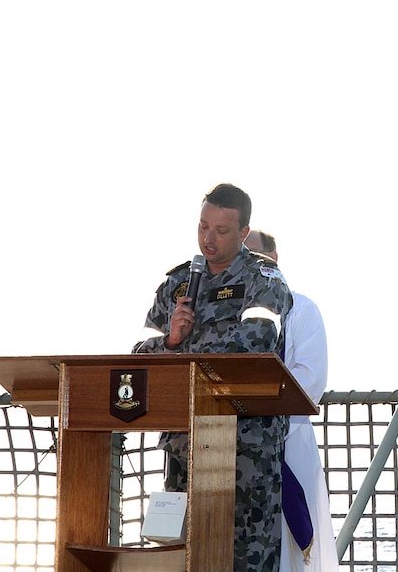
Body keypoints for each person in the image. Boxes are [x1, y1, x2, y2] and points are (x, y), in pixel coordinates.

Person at [134, 184, 293, 572]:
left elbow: (259, 339)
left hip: (247, 450)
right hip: (184, 448)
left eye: (222, 230)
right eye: (203, 226)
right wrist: (171, 342)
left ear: (243, 233)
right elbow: (139, 355)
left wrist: (189, 350)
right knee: (182, 558)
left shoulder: (264, 277)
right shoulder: (177, 284)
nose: (209, 238)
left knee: (245, 562)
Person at [244, 229, 338, 572]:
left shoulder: (301, 309)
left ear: (274, 257)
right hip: (234, 449)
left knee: (292, 558)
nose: (248, 261)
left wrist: (251, 402)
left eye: (254, 253)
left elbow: (311, 380)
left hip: (288, 443)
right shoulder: (229, 316)